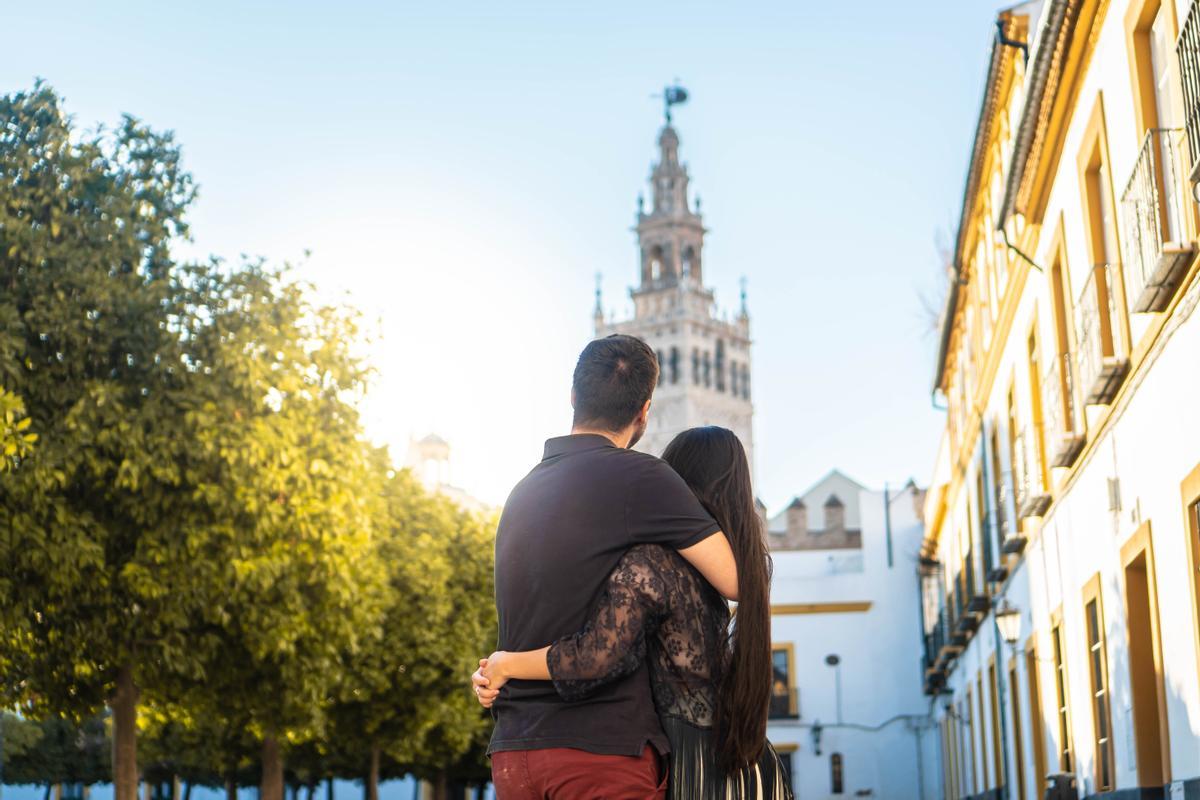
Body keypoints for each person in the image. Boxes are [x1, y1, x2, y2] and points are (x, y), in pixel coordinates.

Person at [484, 334, 740, 799]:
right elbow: (735, 579)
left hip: (513, 755)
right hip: (598, 755)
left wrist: (501, 666)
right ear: (644, 412)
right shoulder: (641, 477)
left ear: (573, 397)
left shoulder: (521, 493)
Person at [475, 426, 792, 800]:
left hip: (692, 768)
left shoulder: (654, 564)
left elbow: (595, 656)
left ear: (676, 482)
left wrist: (505, 664)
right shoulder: (726, 575)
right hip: (751, 770)